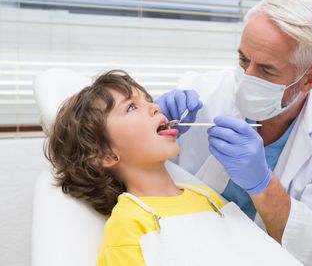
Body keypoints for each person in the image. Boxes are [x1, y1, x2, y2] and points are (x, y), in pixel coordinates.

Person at [156, 0, 312, 265]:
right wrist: (156, 128)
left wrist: (263, 186)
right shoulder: (203, 92)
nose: (246, 78)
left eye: (266, 70)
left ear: (309, 79)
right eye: (243, 61)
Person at [45, 70, 224, 265]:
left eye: (149, 100)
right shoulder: (129, 224)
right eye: (131, 107)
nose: (155, 107)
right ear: (106, 154)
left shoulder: (206, 196)